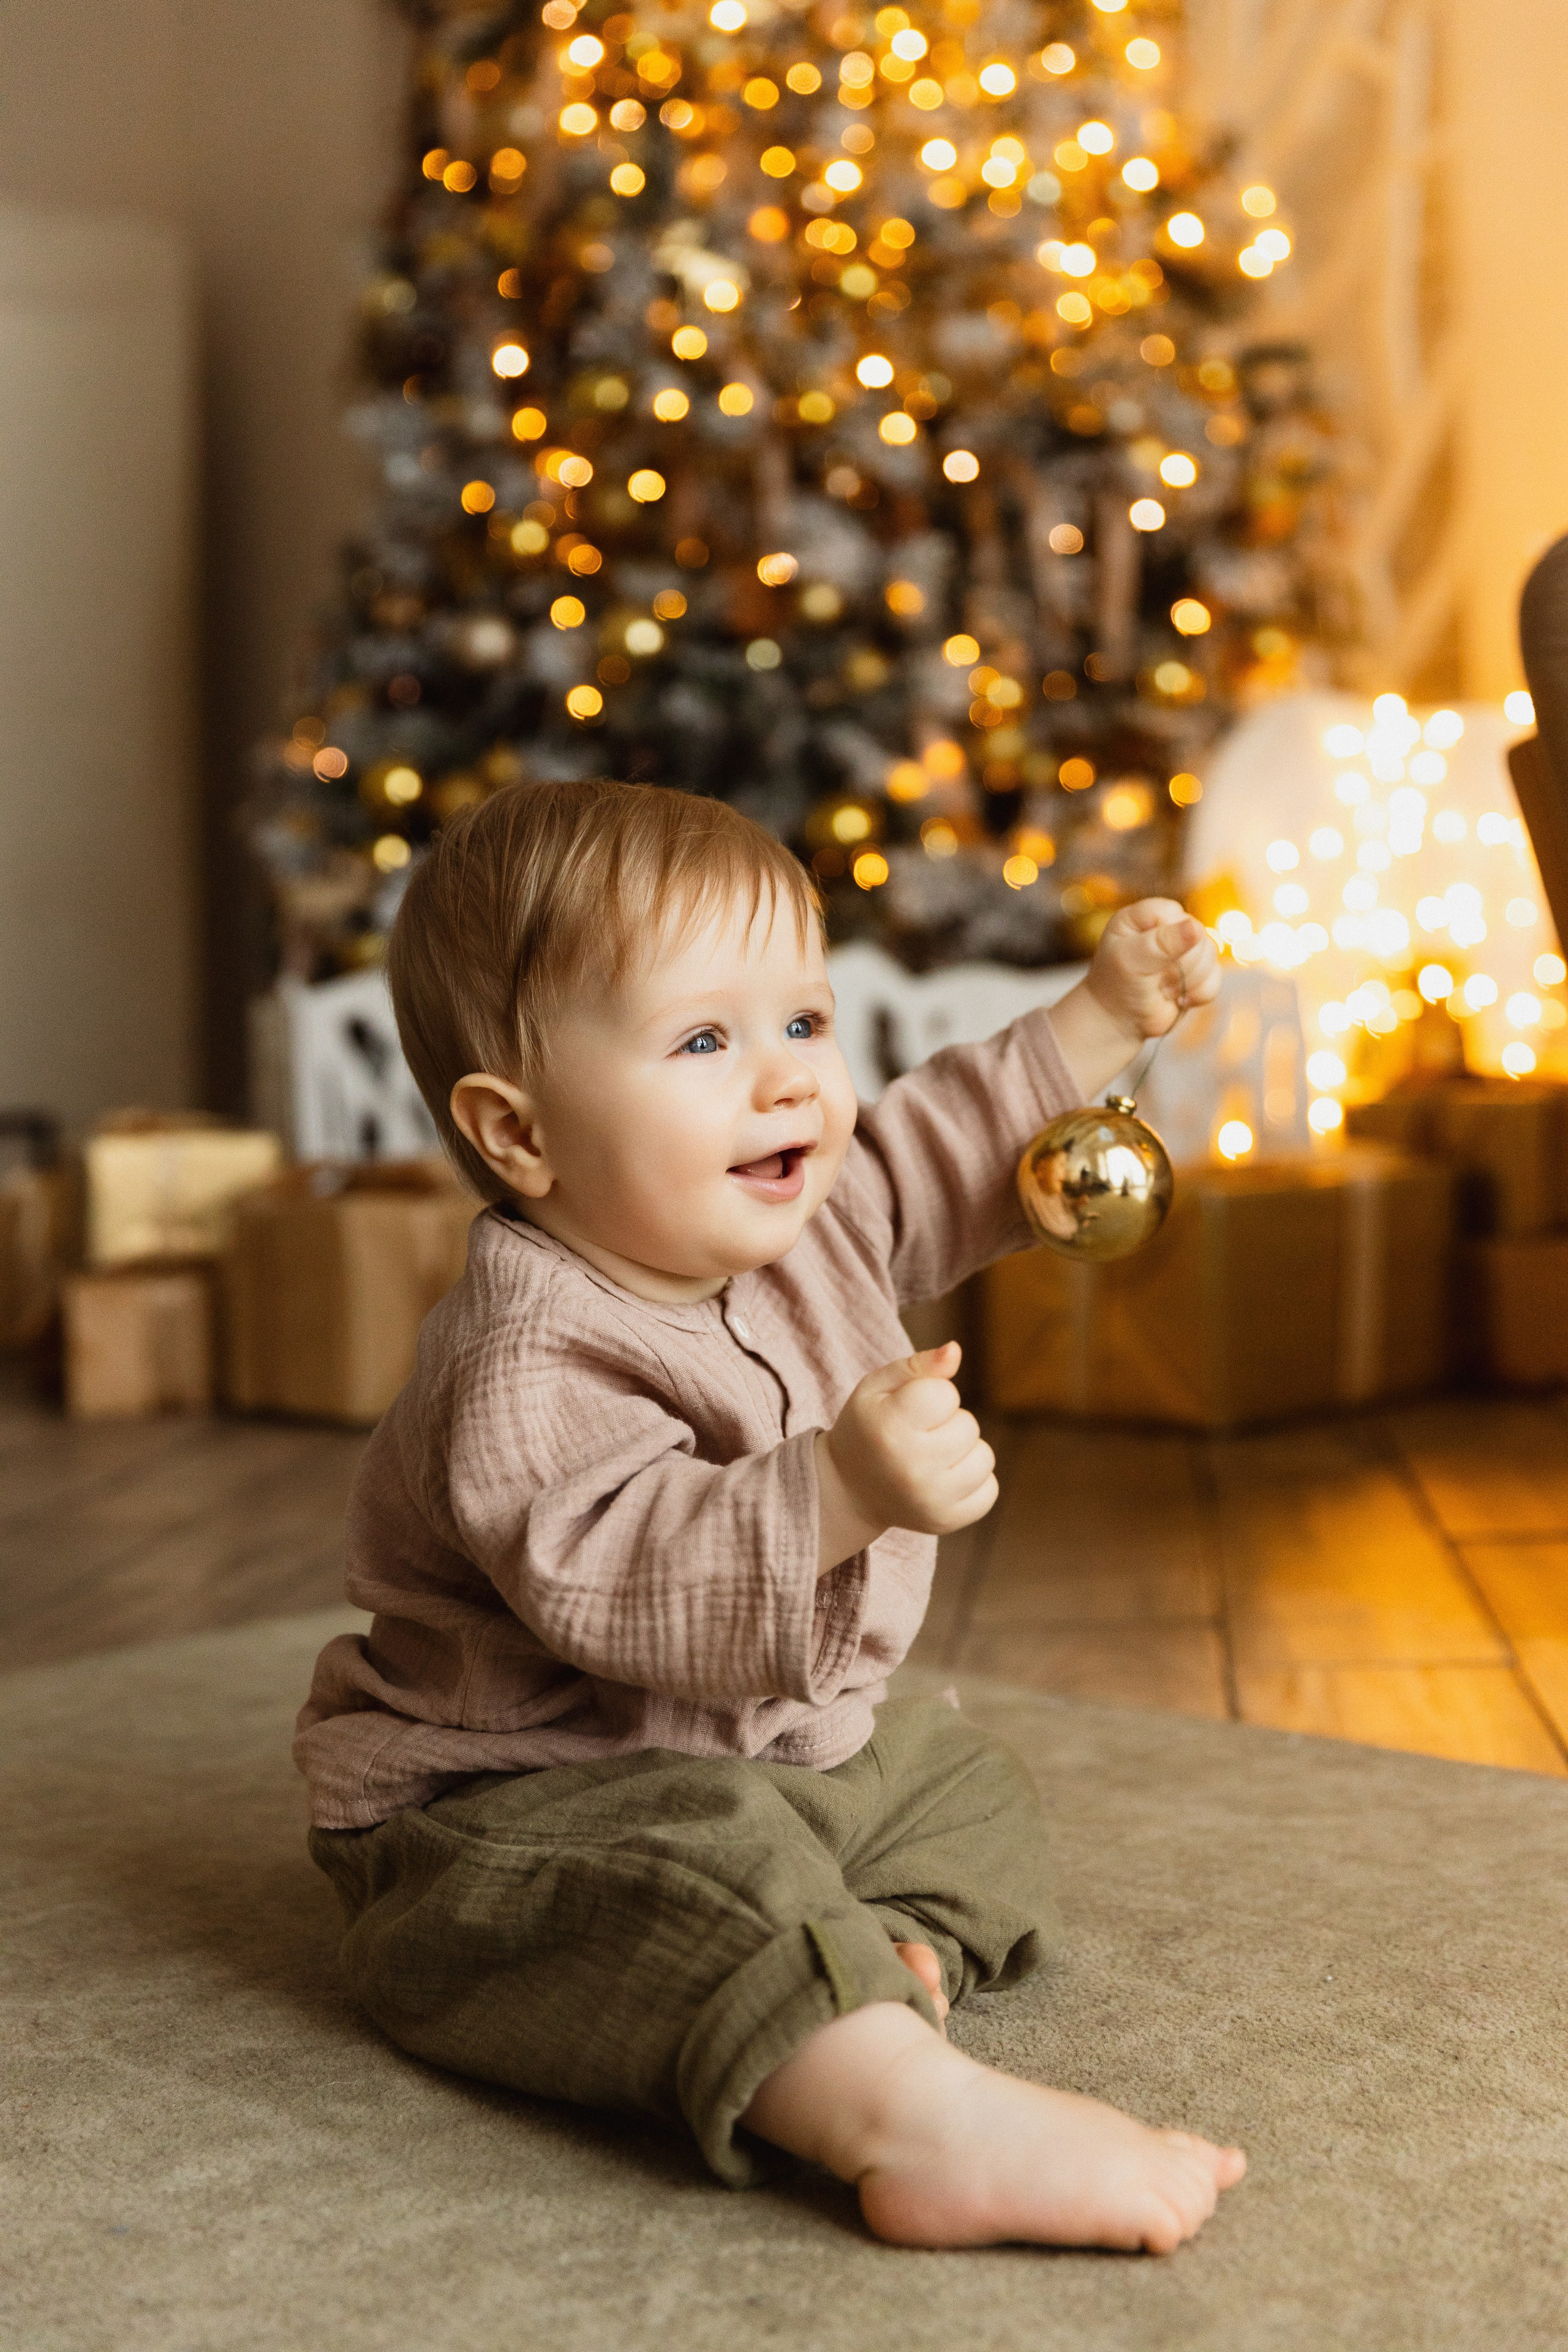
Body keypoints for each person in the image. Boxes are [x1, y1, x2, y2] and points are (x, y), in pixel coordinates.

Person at [298, 778, 1241, 2253]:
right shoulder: (526, 1349)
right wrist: (839, 1489)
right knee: (690, 1877)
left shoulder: (806, 1220)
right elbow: (610, 1574)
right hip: (524, 1802)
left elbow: (943, 1144)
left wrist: (1103, 1017)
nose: (788, 1080)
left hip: (771, 1755)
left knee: (961, 1788)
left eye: (803, 1020)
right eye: (703, 1041)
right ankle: (906, 2117)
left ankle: (880, 1964)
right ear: (519, 1134)